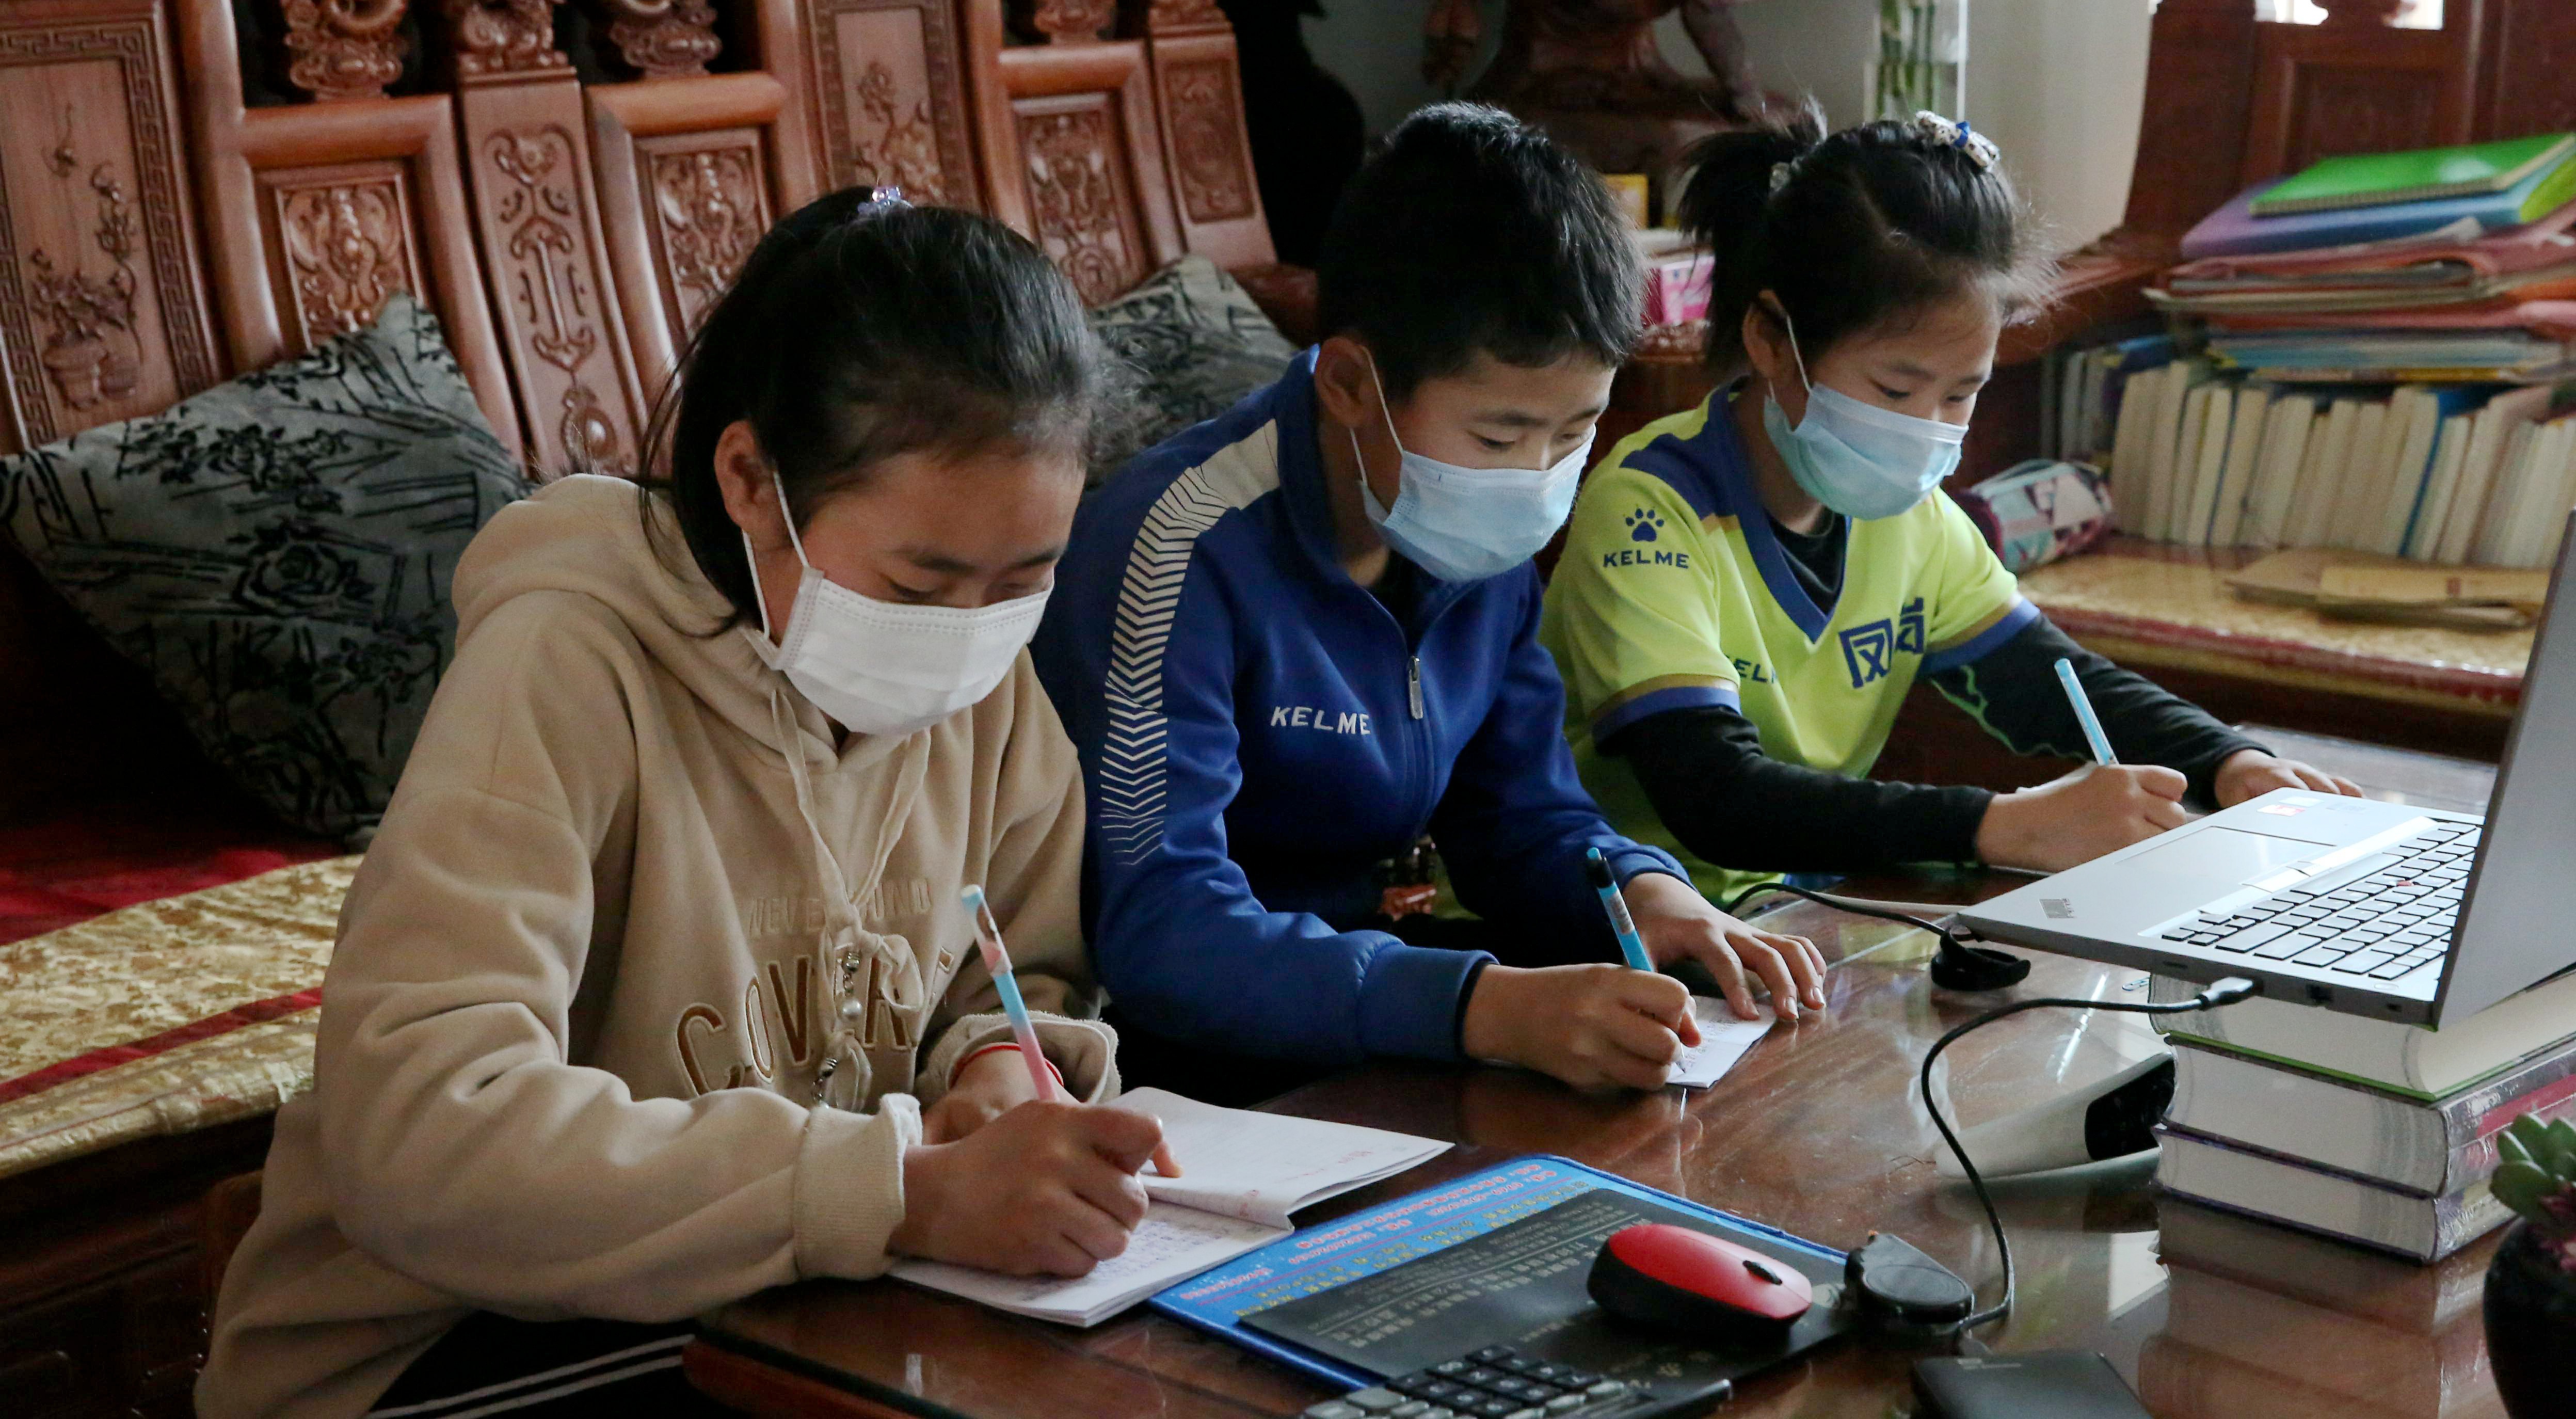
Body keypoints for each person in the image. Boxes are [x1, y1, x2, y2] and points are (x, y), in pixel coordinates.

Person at [201, 190, 1174, 1419]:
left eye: (1022, 581)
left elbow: (1019, 970)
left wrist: (995, 1070)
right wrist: (906, 1194)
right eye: (919, 581)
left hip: (791, 1296)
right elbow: (422, 1140)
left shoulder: (981, 668)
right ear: (751, 481)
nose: (967, 633)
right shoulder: (566, 659)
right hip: (441, 1350)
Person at [1036, 104, 1825, 1104]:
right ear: (1352, 383)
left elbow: (1520, 817)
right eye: (1499, 438)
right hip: (1194, 1062)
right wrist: (1481, 1008)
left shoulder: (1458, 521)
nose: (1536, 478)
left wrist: (1643, 892)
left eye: (1574, 430)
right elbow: (1160, 928)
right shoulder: (1177, 547)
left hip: (1380, 1002)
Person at [1541, 114, 2359, 903]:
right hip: (1617, 935)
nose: (1925, 427)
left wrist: (2225, 760)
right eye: (1895, 388)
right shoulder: (1649, 510)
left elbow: (2049, 678)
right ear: (1770, 340)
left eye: (1962, 392)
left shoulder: (1911, 517)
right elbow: (1715, 797)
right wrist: (2002, 826)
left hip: (1794, 923)